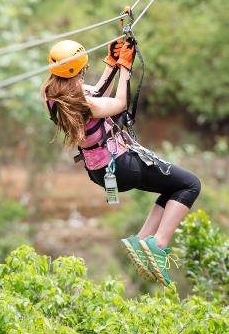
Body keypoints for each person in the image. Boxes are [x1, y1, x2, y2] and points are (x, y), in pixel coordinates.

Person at [41, 38, 201, 286]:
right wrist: (125, 69)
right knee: (190, 185)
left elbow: (95, 96)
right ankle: (158, 244)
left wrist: (112, 63)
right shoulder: (83, 102)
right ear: (79, 69)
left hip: (99, 169)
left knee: (173, 187)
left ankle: (142, 239)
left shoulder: (52, 95)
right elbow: (117, 104)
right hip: (120, 164)